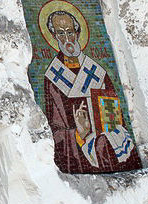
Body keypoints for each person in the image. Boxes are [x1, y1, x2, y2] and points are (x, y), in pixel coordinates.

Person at [42, 10, 140, 174]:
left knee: (106, 144)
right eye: (60, 33)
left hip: (106, 141)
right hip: (79, 149)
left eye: (70, 32)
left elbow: (115, 118)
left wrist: (109, 129)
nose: (67, 39)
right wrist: (80, 133)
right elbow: (55, 130)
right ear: (53, 36)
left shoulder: (97, 72)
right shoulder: (53, 77)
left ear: (78, 32)